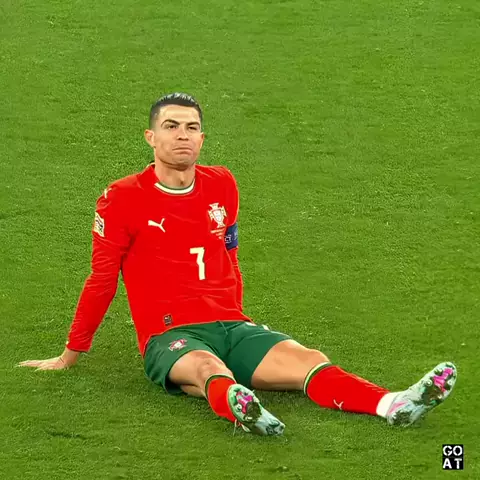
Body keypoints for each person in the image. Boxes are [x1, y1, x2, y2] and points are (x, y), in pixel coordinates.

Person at [18, 92, 457, 436]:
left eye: (192, 128)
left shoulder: (222, 183)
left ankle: (392, 403)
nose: (183, 135)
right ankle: (240, 406)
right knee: (208, 369)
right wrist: (70, 355)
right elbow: (102, 279)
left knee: (308, 360)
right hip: (169, 334)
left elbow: (230, 255)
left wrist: (237, 316)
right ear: (151, 137)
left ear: (202, 138)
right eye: (171, 126)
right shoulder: (121, 198)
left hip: (231, 325)